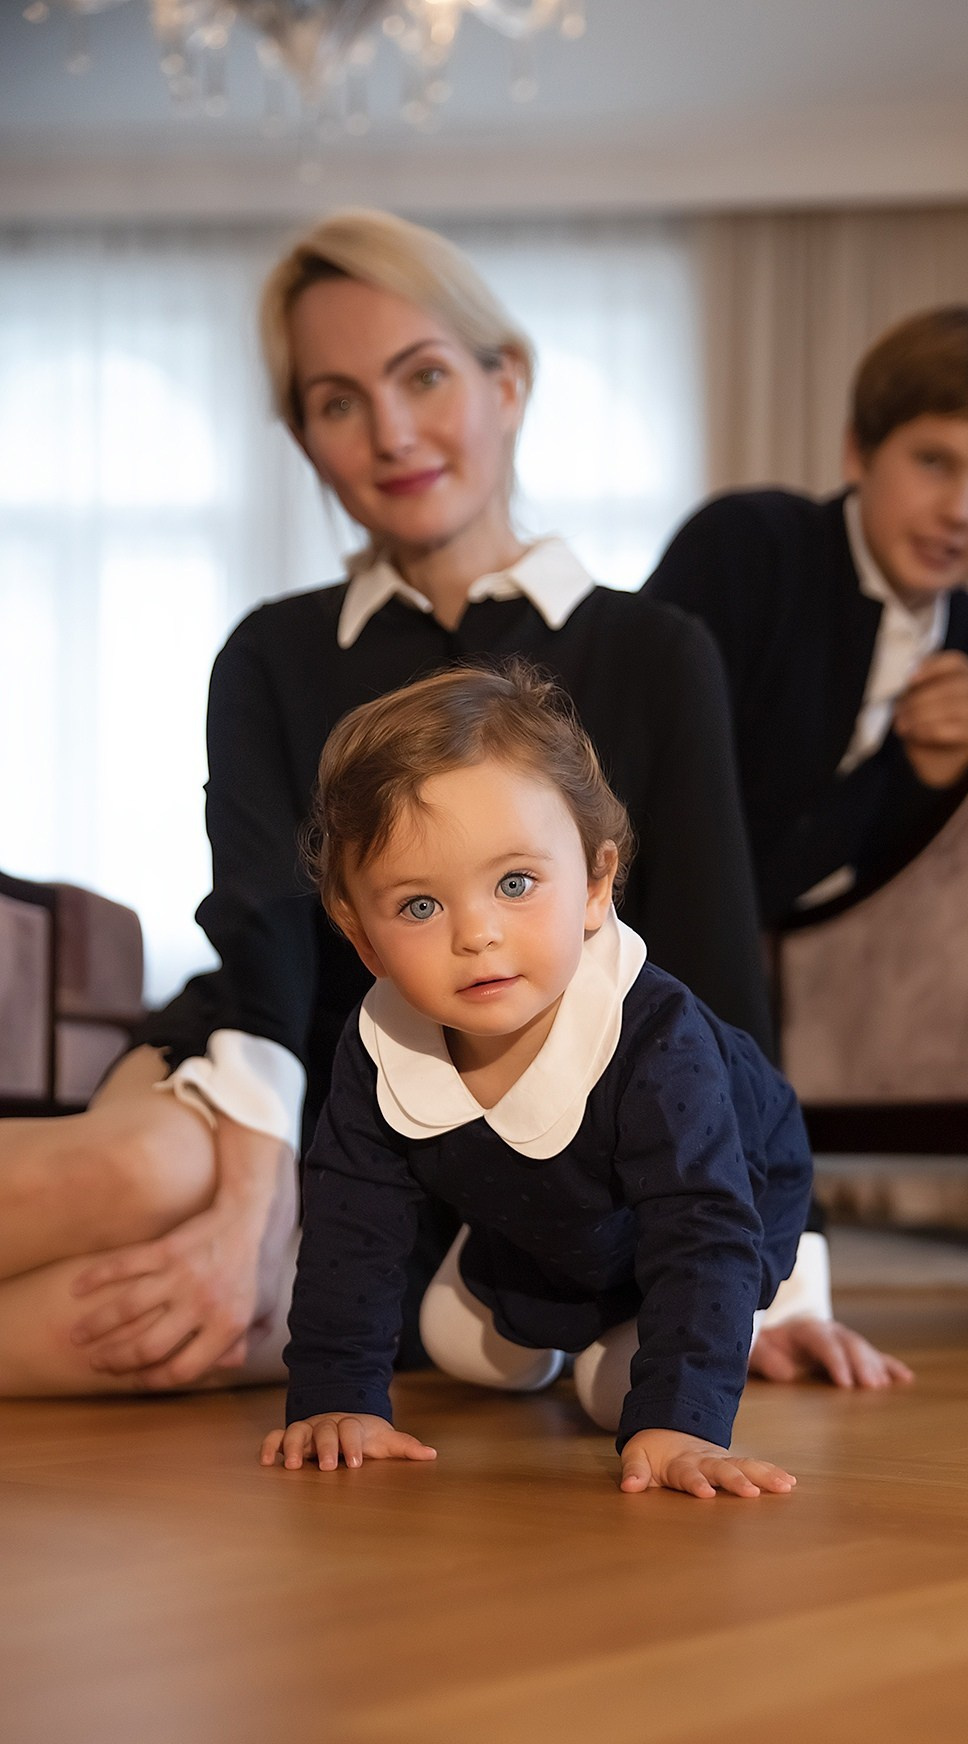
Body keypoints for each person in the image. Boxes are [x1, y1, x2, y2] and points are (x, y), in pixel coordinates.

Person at [0, 210, 904, 1399]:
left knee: (162, 1327)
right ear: (304, 438)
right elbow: (267, 931)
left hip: (465, 1163)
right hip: (258, 1068)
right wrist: (248, 1200)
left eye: (422, 376)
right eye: (335, 402)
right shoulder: (270, 655)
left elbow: (713, 975)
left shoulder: (653, 650)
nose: (389, 433)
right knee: (150, 1177)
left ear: (505, 381)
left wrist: (778, 1281)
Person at [263, 665, 809, 1498]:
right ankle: (559, 1311)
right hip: (554, 1211)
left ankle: (764, 1306)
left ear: (595, 885)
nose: (477, 935)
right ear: (362, 940)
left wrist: (682, 1422)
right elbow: (352, 1220)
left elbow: (702, 1223)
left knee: (616, 1395)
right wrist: (339, 1396)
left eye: (515, 884)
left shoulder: (654, 1036)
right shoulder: (379, 1044)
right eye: (418, 906)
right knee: (454, 1339)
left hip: (732, 1190)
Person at [644, 305, 968, 925]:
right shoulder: (744, 547)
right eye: (934, 462)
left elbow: (893, 880)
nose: (962, 511)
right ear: (857, 451)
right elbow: (622, 766)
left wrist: (940, 785)